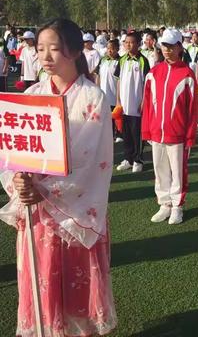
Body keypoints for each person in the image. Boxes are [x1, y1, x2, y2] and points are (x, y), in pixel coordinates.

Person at [0, 18, 117, 336]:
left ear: (76, 50)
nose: (46, 57)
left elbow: (94, 160)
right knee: (43, 281)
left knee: (76, 283)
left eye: (54, 49)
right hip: (37, 212)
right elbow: (12, 150)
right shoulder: (33, 94)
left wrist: (46, 189)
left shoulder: (93, 98)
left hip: (74, 210)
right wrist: (18, 181)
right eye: (40, 49)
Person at [142, 29, 198, 225]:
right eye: (164, 46)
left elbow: (193, 109)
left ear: (179, 47)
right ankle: (164, 204)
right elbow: (147, 104)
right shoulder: (153, 73)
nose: (167, 50)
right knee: (160, 169)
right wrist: (147, 129)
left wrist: (190, 135)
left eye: (171, 46)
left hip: (178, 134)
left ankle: (177, 206)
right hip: (157, 132)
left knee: (178, 171)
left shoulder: (187, 74)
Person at [114, 31, 150, 173]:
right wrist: (118, 100)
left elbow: (147, 84)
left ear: (138, 44)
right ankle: (128, 159)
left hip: (137, 104)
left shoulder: (143, 61)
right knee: (126, 134)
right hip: (124, 105)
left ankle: (138, 160)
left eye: (131, 42)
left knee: (137, 134)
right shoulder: (122, 60)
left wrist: (143, 102)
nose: (128, 45)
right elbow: (118, 81)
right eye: (126, 42)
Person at [96, 39, 123, 143]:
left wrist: (119, 96)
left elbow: (120, 79)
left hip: (115, 95)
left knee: (116, 116)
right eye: (108, 48)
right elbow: (98, 76)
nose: (109, 51)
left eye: (112, 49)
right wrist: (97, 89)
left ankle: (120, 134)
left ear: (117, 49)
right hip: (104, 94)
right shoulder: (102, 60)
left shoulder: (120, 61)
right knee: (106, 117)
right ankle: (109, 135)